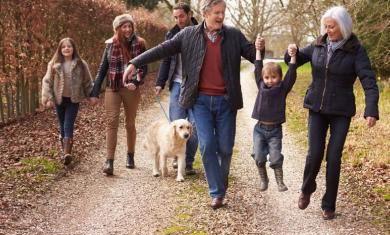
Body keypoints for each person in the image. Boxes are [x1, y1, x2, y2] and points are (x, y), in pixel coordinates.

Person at [124, 0, 261, 209]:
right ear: (205, 13)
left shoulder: (233, 35)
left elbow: (254, 56)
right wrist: (135, 62)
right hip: (200, 101)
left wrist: (260, 49)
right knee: (206, 145)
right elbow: (162, 49)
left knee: (225, 148)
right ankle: (216, 192)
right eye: (217, 13)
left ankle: (220, 183)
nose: (221, 17)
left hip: (226, 101)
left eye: (223, 12)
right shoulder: (188, 35)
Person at [285, 6, 379, 220]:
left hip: (341, 111)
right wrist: (291, 52)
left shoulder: (356, 50)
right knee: (314, 153)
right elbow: (295, 59)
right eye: (325, 26)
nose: (327, 30)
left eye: (332, 26)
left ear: (343, 27)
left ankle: (329, 204)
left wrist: (371, 109)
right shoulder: (319, 44)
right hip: (317, 108)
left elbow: (369, 81)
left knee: (334, 157)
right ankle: (307, 188)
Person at [90, 14, 147, 176]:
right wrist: (95, 91)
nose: (128, 29)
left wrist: (135, 83)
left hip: (130, 88)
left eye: (130, 26)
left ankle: (130, 155)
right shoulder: (110, 45)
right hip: (113, 87)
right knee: (112, 121)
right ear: (118, 29)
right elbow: (102, 69)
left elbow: (144, 67)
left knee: (130, 123)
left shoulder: (140, 43)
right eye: (124, 26)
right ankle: (109, 161)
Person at [155, 2, 199, 176]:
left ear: (190, 14)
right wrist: (160, 82)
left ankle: (187, 163)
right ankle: (175, 155)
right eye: (176, 17)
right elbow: (166, 59)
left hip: (197, 87)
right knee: (176, 125)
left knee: (194, 126)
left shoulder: (201, 31)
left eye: (181, 16)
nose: (179, 20)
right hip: (177, 84)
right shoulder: (171, 34)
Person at [252, 36, 297, 192]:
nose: (269, 80)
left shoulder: (282, 89)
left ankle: (280, 181)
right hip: (259, 129)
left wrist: (293, 57)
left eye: (273, 77)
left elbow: (291, 74)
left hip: (275, 131)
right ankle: (263, 179)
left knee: (276, 157)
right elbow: (258, 67)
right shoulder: (261, 85)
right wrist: (258, 50)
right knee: (258, 156)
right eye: (266, 78)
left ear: (279, 78)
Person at [42, 37, 93, 165]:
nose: (66, 48)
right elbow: (47, 81)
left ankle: (67, 153)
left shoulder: (81, 64)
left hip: (73, 100)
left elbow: (87, 82)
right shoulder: (53, 64)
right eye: (63, 47)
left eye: (69, 46)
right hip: (59, 100)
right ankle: (65, 151)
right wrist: (47, 98)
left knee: (68, 124)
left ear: (73, 48)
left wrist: (92, 95)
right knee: (62, 124)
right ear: (60, 49)